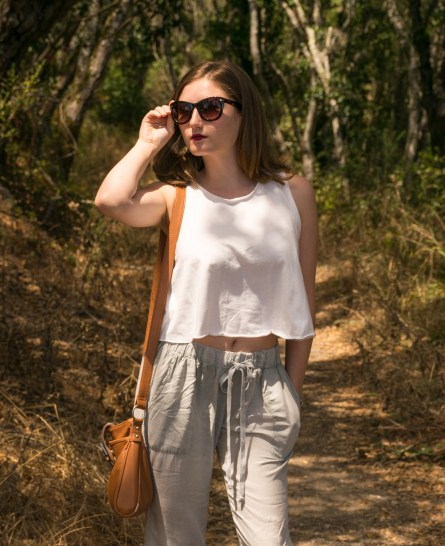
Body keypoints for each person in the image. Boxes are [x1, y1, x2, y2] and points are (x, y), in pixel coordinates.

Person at [94, 60, 317, 546]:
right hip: (183, 373)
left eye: (211, 108)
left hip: (261, 379)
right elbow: (110, 199)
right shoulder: (177, 196)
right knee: (178, 536)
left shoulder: (292, 194)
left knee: (269, 538)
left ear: (243, 113)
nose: (195, 121)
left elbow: (305, 301)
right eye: (184, 110)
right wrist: (147, 142)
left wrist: (291, 395)